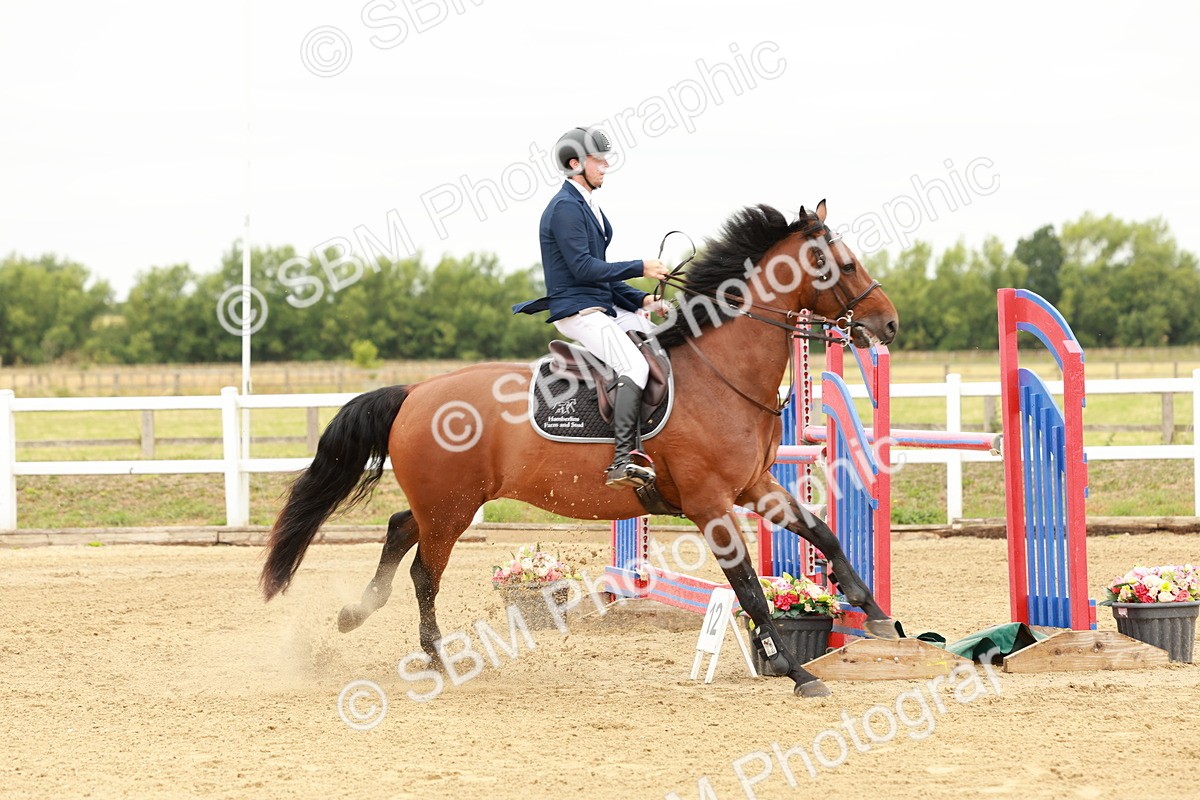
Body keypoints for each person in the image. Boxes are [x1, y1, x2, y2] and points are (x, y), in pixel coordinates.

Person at [513, 126, 670, 489]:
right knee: (631, 363)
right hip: (579, 312)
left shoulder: (589, 206)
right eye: (598, 160)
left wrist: (642, 299)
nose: (605, 166)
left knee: (662, 336)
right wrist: (640, 267)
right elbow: (584, 268)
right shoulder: (566, 209)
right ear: (575, 164)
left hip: (601, 304)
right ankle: (621, 459)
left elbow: (604, 276)